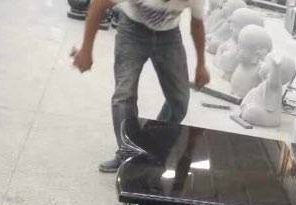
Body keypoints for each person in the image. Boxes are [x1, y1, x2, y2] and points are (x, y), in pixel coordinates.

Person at [72, 0, 211, 172]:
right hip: (132, 30)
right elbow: (99, 4)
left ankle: (148, 145)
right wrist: (86, 50)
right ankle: (128, 154)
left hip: (169, 37)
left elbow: (197, 23)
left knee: (179, 101)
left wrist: (201, 65)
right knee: (124, 95)